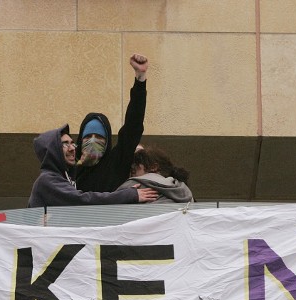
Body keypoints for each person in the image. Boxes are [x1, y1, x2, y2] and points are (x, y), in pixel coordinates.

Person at [27, 125, 158, 208]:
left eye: (73, 143)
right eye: (65, 144)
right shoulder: (48, 180)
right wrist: (126, 196)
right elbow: (82, 200)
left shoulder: (64, 178)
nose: (72, 148)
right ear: (52, 150)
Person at [74, 53, 149, 193]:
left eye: (99, 138)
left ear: (107, 142)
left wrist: (140, 78)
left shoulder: (116, 163)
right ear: (80, 140)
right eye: (88, 137)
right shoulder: (70, 171)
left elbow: (133, 125)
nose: (93, 142)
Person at [117, 146, 194, 204]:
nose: (132, 175)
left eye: (135, 169)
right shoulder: (185, 192)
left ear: (153, 167)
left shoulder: (136, 184)